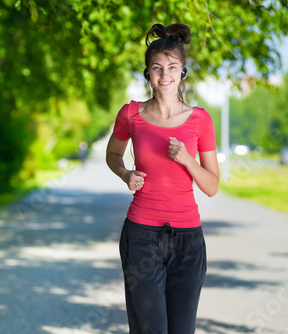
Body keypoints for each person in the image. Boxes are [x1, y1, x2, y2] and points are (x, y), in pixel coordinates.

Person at [106, 23, 219, 334]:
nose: (164, 74)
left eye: (172, 66)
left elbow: (211, 186)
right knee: (149, 329)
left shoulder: (200, 120)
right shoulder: (130, 114)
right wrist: (125, 173)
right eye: (156, 67)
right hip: (142, 236)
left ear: (182, 71)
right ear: (147, 73)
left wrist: (187, 160)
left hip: (188, 241)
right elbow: (112, 155)